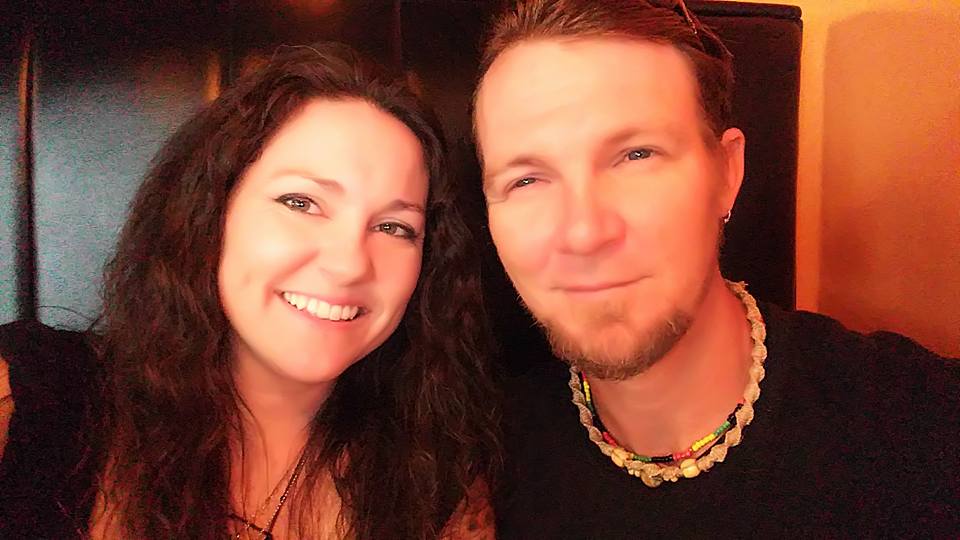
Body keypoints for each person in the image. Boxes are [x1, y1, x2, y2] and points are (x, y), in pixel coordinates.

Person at [472, 0, 959, 537]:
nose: (584, 233)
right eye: (526, 180)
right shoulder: (478, 461)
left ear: (727, 171)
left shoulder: (921, 433)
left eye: (637, 155)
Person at [0, 42, 497, 539]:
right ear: (211, 211)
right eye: (301, 202)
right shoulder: (31, 399)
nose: (349, 264)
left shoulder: (436, 474)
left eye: (393, 227)